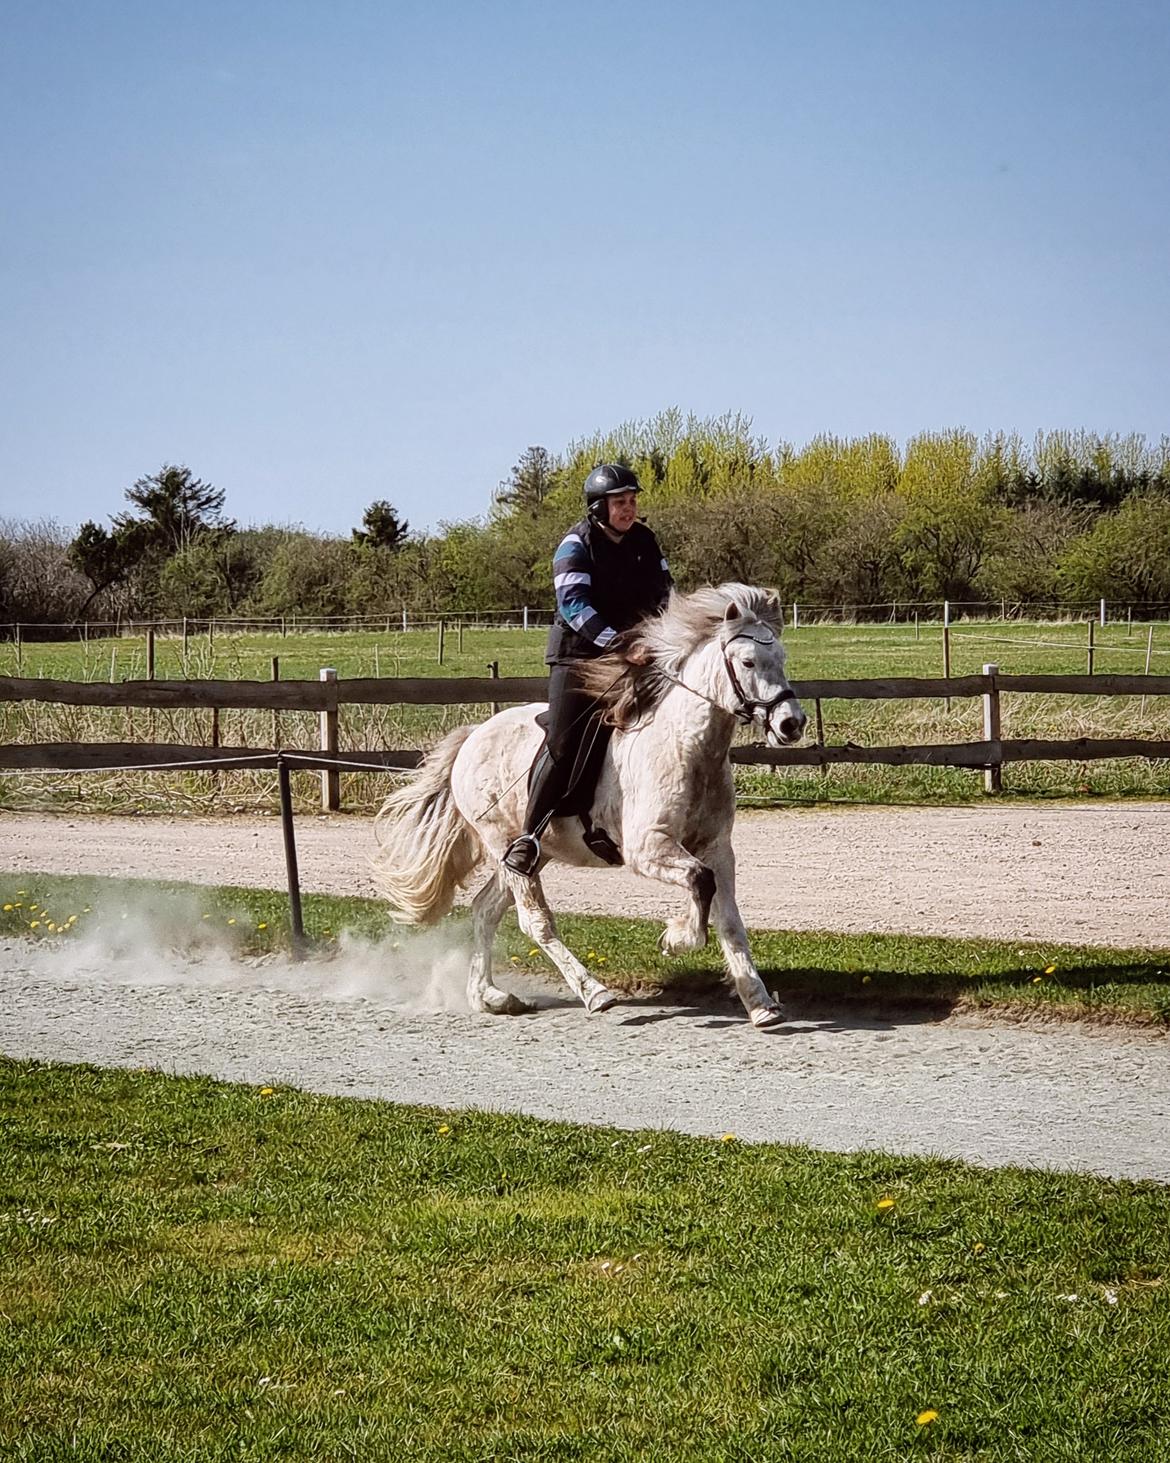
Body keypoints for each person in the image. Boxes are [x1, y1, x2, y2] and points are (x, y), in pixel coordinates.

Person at [501, 463, 672, 875]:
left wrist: (666, 641)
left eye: (631, 501)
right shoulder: (574, 545)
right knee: (565, 741)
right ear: (599, 508)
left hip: (636, 654)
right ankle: (529, 835)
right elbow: (575, 607)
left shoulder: (645, 541)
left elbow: (667, 595)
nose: (628, 509)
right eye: (620, 503)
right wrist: (620, 643)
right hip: (578, 657)